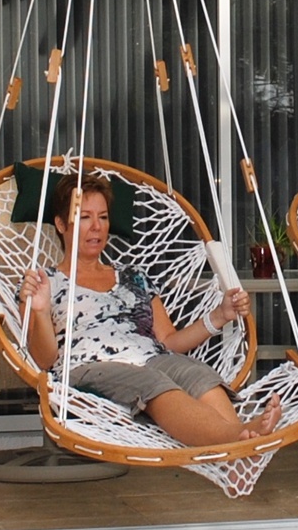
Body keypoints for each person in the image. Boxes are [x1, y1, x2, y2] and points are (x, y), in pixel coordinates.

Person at [18, 172, 281, 446]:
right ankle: (238, 437)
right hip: (89, 367)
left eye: (104, 217)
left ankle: (238, 453)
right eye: (84, 217)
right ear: (61, 224)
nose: (97, 227)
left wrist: (219, 315)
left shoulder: (134, 276)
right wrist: (40, 310)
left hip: (151, 358)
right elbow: (44, 360)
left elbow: (168, 341)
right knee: (153, 383)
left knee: (197, 373)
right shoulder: (43, 283)